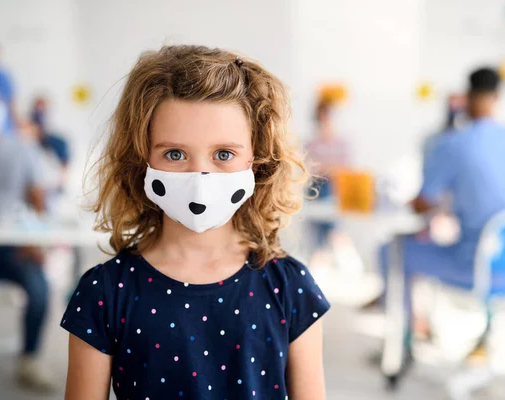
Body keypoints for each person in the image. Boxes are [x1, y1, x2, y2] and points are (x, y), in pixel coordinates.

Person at [61, 45, 330, 400]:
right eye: (175, 154)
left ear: (258, 160)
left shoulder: (290, 287)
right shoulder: (105, 292)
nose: (199, 177)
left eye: (224, 154)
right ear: (142, 160)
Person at [378, 67, 505, 325]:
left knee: (392, 250)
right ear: (498, 96)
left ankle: (407, 336)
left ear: (467, 96)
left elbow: (423, 205)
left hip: (478, 266)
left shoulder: (454, 143)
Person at [0, 74, 53, 391]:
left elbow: (38, 201)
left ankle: (29, 358)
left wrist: (36, 240)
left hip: (12, 248)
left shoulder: (21, 150)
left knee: (39, 288)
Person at [305, 98, 350, 250]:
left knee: (328, 188)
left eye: (327, 116)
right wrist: (328, 168)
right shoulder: (311, 144)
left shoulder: (342, 143)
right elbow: (310, 169)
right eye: (321, 116)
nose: (324, 120)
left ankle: (334, 241)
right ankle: (322, 248)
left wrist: (326, 168)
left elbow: (344, 170)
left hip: (335, 191)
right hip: (316, 189)